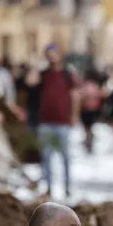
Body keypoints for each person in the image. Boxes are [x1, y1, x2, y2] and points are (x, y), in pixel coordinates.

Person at [37, 44, 79, 197]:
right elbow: (30, 82)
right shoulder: (43, 74)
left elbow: (75, 95)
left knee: (65, 156)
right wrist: (35, 65)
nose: (51, 56)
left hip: (63, 122)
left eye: (54, 53)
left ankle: (67, 187)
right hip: (46, 121)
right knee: (46, 156)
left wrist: (74, 115)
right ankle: (48, 187)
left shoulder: (67, 74)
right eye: (49, 53)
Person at [80, 69, 104, 154]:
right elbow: (100, 97)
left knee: (87, 128)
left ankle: (88, 140)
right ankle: (89, 140)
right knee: (89, 127)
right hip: (93, 110)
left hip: (86, 110)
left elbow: (81, 97)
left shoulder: (84, 86)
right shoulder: (95, 86)